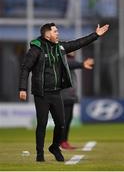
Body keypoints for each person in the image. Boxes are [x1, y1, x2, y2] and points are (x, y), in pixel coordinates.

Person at [19, 23, 109, 162]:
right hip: (41, 94)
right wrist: (22, 88)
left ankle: (55, 147)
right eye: (55, 31)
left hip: (56, 93)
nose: (58, 33)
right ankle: (40, 155)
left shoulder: (60, 47)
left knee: (61, 123)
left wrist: (95, 35)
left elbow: (78, 43)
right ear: (47, 34)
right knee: (42, 124)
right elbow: (25, 68)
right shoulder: (36, 49)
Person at [60, 52, 94, 150]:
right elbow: (71, 63)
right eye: (71, 50)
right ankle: (61, 141)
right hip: (64, 95)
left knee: (68, 119)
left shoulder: (69, 61)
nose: (73, 51)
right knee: (65, 120)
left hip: (70, 95)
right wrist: (82, 64)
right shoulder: (63, 60)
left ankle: (64, 141)